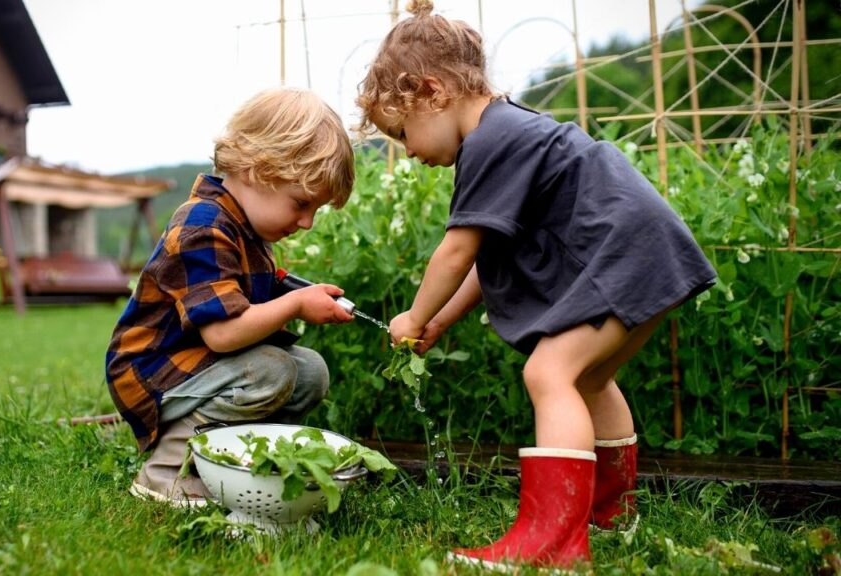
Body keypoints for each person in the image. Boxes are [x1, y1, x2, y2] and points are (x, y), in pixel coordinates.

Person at [357, 0, 716, 571]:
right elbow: (490, 254)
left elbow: (457, 251)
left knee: (549, 372)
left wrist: (412, 316)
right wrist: (441, 320)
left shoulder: (490, 142)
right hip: (646, 252)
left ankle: (554, 542)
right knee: (592, 378)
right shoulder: (509, 129)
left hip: (620, 254)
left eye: (403, 132)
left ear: (431, 92)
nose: (409, 152)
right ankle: (610, 518)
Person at [106, 87, 356, 507]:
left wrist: (291, 291)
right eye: (301, 203)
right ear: (258, 168)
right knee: (269, 370)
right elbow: (223, 334)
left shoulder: (248, 229)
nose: (308, 222)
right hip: (155, 372)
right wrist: (295, 304)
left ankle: (247, 463)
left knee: (310, 371)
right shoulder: (203, 224)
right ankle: (167, 472)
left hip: (202, 369)